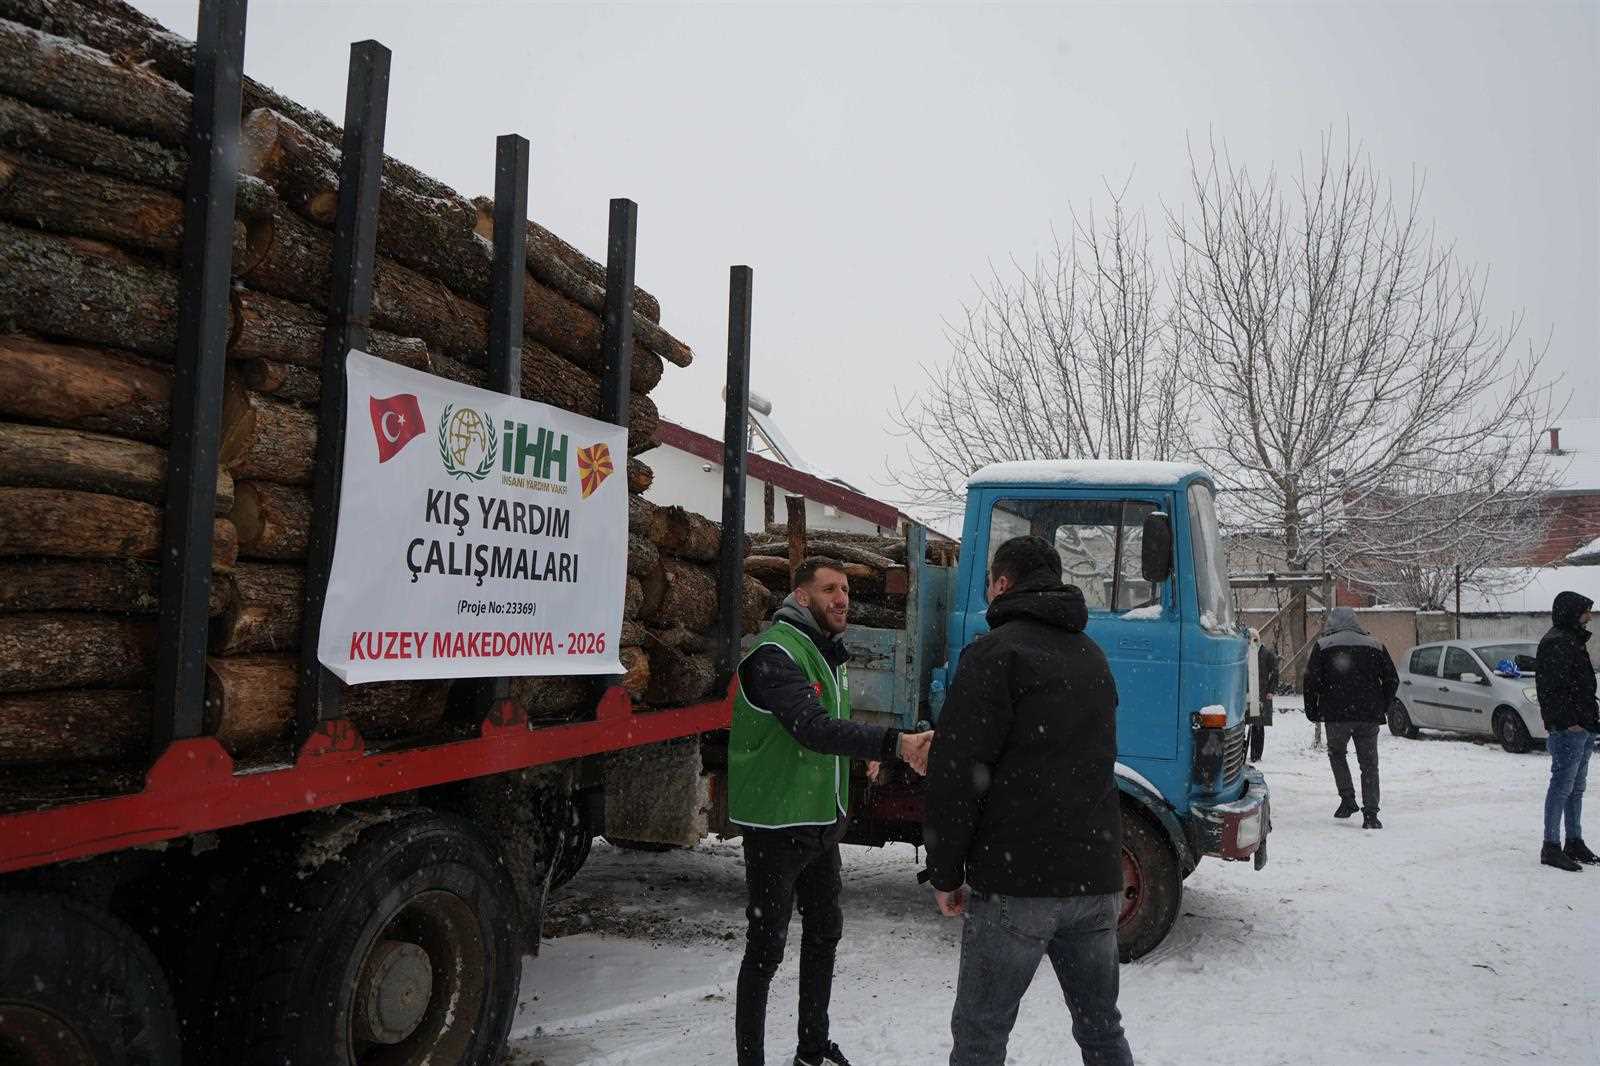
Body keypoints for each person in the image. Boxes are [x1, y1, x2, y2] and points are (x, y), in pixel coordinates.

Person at [924, 535, 1134, 1066]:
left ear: (1001, 583)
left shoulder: (994, 654)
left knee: (981, 1035)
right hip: (1096, 877)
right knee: (1101, 1030)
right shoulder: (1091, 655)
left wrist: (946, 872)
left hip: (1019, 883)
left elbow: (956, 775)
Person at [729, 556, 933, 1066]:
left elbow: (828, 726)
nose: (842, 598)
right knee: (766, 949)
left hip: (819, 820)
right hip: (776, 824)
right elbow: (812, 728)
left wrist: (860, 754)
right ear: (802, 597)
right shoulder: (773, 655)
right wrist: (894, 743)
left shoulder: (826, 652)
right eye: (829, 590)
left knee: (824, 932)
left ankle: (811, 1049)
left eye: (844, 589)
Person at [1303, 606, 1398, 829]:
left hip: (1337, 716)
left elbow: (1311, 681)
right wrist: (1381, 706)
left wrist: (1312, 710)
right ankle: (1371, 814)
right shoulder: (1375, 645)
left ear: (1332, 622)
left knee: (1337, 754)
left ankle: (1347, 799)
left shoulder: (1323, 646)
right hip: (1368, 716)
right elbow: (1392, 680)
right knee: (1369, 764)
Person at [1535, 591, 1598, 872]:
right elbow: (1551, 690)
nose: (1589, 616)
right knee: (1562, 786)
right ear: (1573, 612)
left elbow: (1580, 685)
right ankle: (1551, 846)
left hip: (1583, 725)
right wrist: (1566, 721)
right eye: (1586, 611)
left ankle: (1574, 841)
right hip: (1568, 729)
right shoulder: (1557, 642)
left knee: (1577, 787)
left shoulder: (1572, 640)